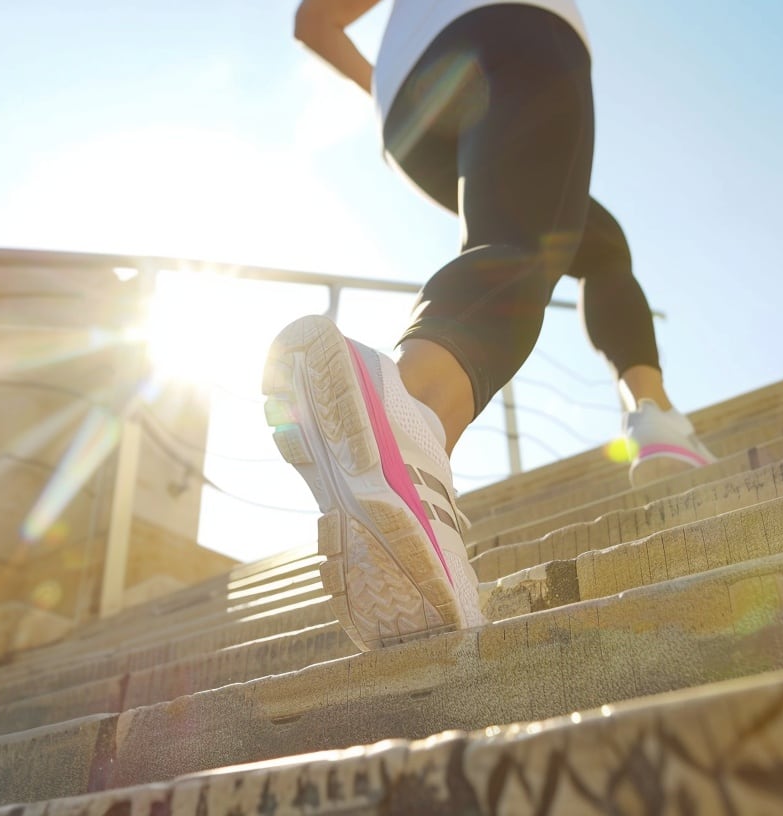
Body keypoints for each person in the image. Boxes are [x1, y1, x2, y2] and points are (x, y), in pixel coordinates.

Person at [264, 0, 715, 652]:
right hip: (515, 31)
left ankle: (655, 418)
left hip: (414, 114)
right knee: (518, 236)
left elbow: (315, 21)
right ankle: (411, 416)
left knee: (595, 242)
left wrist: (391, 88)